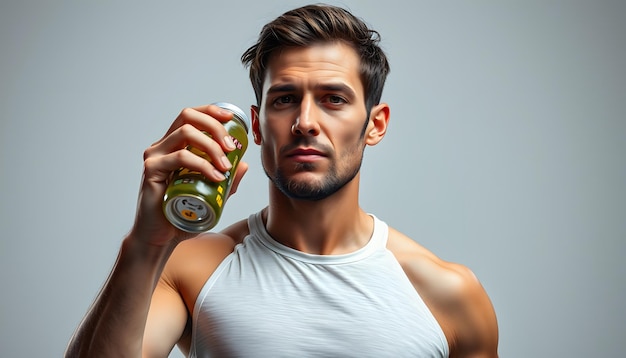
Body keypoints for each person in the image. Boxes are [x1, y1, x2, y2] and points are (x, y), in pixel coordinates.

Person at [65, 4, 498, 357]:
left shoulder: (448, 295)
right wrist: (146, 243)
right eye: (285, 99)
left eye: (334, 99)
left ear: (375, 125)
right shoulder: (192, 268)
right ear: (256, 125)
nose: (305, 122)